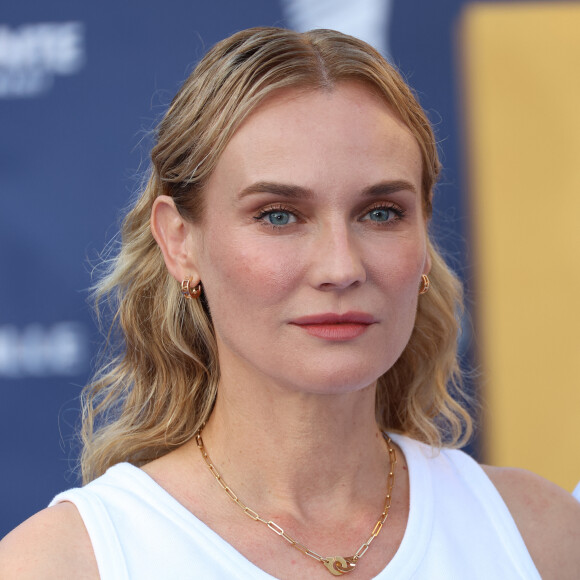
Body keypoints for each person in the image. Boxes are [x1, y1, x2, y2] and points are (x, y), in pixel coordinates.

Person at [0, 27, 578, 580]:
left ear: (424, 239)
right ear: (180, 242)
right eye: (279, 215)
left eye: (381, 213)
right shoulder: (66, 562)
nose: (342, 267)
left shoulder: (542, 537)